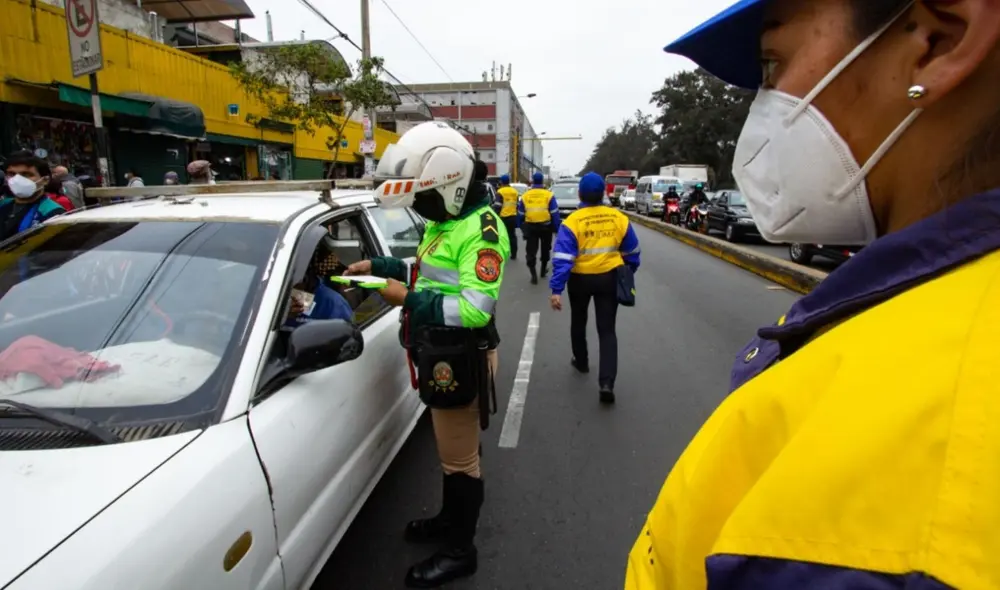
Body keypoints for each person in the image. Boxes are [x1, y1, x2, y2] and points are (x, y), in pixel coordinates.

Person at [627, 0, 1000, 589]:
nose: (761, 110)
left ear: (937, 41)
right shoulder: (904, 313)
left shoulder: (865, 539)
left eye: (771, 65)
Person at [344, 121, 509, 588]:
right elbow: (432, 270)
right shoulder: (448, 221)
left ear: (450, 182)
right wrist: (383, 266)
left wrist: (407, 299)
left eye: (425, 195)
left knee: (461, 461)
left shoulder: (482, 231)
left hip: (462, 354)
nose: (420, 205)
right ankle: (448, 520)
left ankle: (460, 552)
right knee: (452, 452)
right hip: (442, 351)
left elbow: (474, 308)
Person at [549, 172, 640, 404]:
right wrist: (627, 271)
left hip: (579, 280)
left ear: (580, 194)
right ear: (603, 194)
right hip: (609, 278)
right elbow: (632, 252)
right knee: (607, 330)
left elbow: (563, 258)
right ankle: (606, 383)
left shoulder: (572, 222)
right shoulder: (619, 218)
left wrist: (556, 290)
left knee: (578, 320)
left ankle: (581, 362)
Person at [1, 153, 66, 241]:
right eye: (12, 174)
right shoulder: (3, 205)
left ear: (45, 180)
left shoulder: (53, 213)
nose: (17, 179)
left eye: (26, 174)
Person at [517, 171, 560, 284]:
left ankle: (533, 275)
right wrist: (556, 229)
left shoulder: (525, 196)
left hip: (531, 227)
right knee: (545, 249)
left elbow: (520, 214)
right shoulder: (549, 195)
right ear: (542, 181)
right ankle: (542, 270)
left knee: (531, 252)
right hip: (546, 227)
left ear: (532, 182)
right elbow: (554, 213)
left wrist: (521, 226)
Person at [495, 174, 520, 260]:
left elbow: (498, 205)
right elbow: (517, 205)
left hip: (503, 217)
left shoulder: (500, 191)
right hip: (512, 216)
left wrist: (495, 216)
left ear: (501, 182)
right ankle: (514, 254)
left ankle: (502, 253)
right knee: (512, 235)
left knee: (501, 236)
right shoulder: (514, 191)